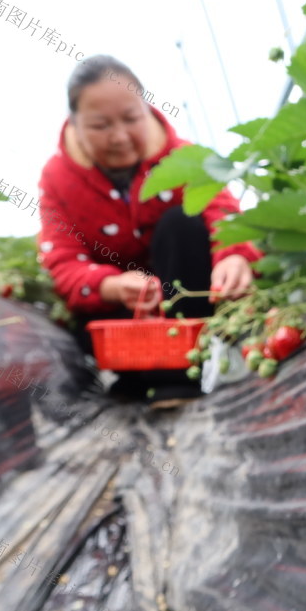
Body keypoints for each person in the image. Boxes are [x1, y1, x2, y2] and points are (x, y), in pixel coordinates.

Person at [35, 55, 261, 405]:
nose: (120, 136)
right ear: (74, 124)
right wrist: (110, 284)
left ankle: (182, 373)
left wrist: (233, 257)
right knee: (79, 322)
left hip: (188, 304)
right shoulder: (58, 179)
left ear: (146, 108)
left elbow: (223, 212)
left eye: (130, 118)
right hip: (125, 317)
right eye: (100, 125)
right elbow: (62, 262)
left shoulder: (182, 156)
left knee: (181, 222)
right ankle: (136, 377)